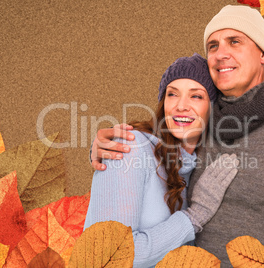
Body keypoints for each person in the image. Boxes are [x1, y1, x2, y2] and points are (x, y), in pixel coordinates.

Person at [90, 5, 264, 267]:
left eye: (234, 41)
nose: (220, 53)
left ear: (263, 55)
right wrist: (109, 147)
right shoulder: (202, 125)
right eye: (213, 45)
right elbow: (158, 149)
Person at [84, 53, 239, 268]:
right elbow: (112, 256)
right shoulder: (131, 147)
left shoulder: (193, 167)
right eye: (172, 94)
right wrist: (194, 216)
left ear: (212, 109)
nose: (181, 106)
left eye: (196, 96)